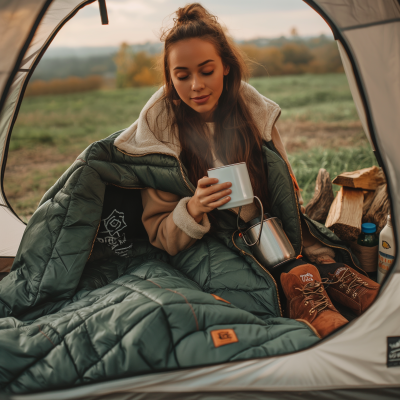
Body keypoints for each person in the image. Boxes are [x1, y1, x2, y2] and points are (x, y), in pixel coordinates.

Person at [114, 3, 379, 338]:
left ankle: (328, 273)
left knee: (317, 253)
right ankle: (305, 292)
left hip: (267, 230)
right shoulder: (162, 140)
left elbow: (285, 194)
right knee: (259, 277)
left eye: (206, 71)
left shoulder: (252, 114)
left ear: (226, 66)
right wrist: (194, 207)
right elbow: (163, 236)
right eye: (182, 76)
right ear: (170, 78)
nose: (196, 85)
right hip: (213, 245)